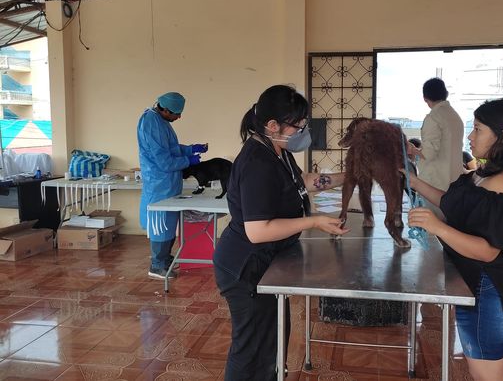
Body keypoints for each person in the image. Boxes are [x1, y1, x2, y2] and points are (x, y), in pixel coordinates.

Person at [213, 84, 348, 381]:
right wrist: (313, 221)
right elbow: (258, 231)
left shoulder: (277, 150)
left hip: (266, 263)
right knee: (251, 349)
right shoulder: (256, 162)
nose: (302, 132)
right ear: (273, 125)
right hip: (244, 267)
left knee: (272, 340)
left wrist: (349, 176)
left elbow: (304, 181)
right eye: (298, 126)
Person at [407, 97, 503, 381]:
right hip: (477, 288)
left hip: (491, 292)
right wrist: (414, 181)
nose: (470, 136)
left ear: (502, 136)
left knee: (486, 373)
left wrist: (438, 228)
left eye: (478, 129)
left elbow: (488, 251)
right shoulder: (486, 172)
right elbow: (452, 202)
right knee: (482, 368)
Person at [137, 92, 208, 280]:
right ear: (166, 110)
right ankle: (157, 265)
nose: (179, 117)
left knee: (169, 224)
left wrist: (190, 149)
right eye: (177, 114)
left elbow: (170, 148)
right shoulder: (150, 122)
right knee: (160, 226)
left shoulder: (161, 121)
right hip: (159, 184)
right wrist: (188, 161)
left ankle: (165, 259)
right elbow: (164, 161)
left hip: (168, 184)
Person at [413, 77, 464, 217]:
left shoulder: (433, 117)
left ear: (425, 98)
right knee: (450, 221)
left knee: (433, 224)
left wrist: (411, 150)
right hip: (455, 180)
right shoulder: (455, 116)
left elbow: (428, 153)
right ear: (446, 93)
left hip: (435, 183)